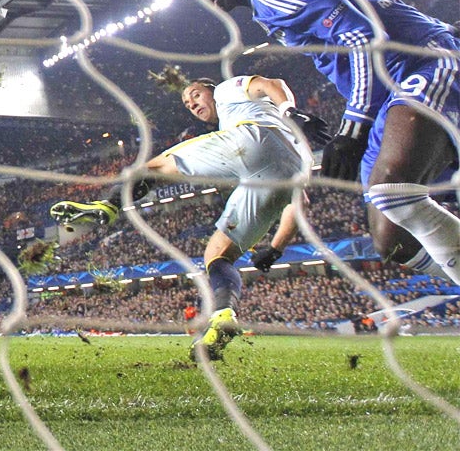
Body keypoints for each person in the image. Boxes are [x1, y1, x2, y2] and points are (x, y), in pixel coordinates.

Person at [185, 0, 460, 286]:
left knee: (391, 190)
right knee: (391, 240)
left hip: (420, 63)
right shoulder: (265, 3)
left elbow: (362, 35)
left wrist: (353, 128)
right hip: (388, 93)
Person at [52, 74, 329, 359]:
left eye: (195, 95)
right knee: (218, 253)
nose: (192, 103)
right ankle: (223, 315)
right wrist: (274, 249)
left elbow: (271, 83)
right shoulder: (300, 147)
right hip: (286, 176)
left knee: (150, 169)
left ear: (210, 90)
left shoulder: (225, 91)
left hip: (252, 139)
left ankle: (108, 206)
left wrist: (290, 110)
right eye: (186, 103)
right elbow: (299, 204)